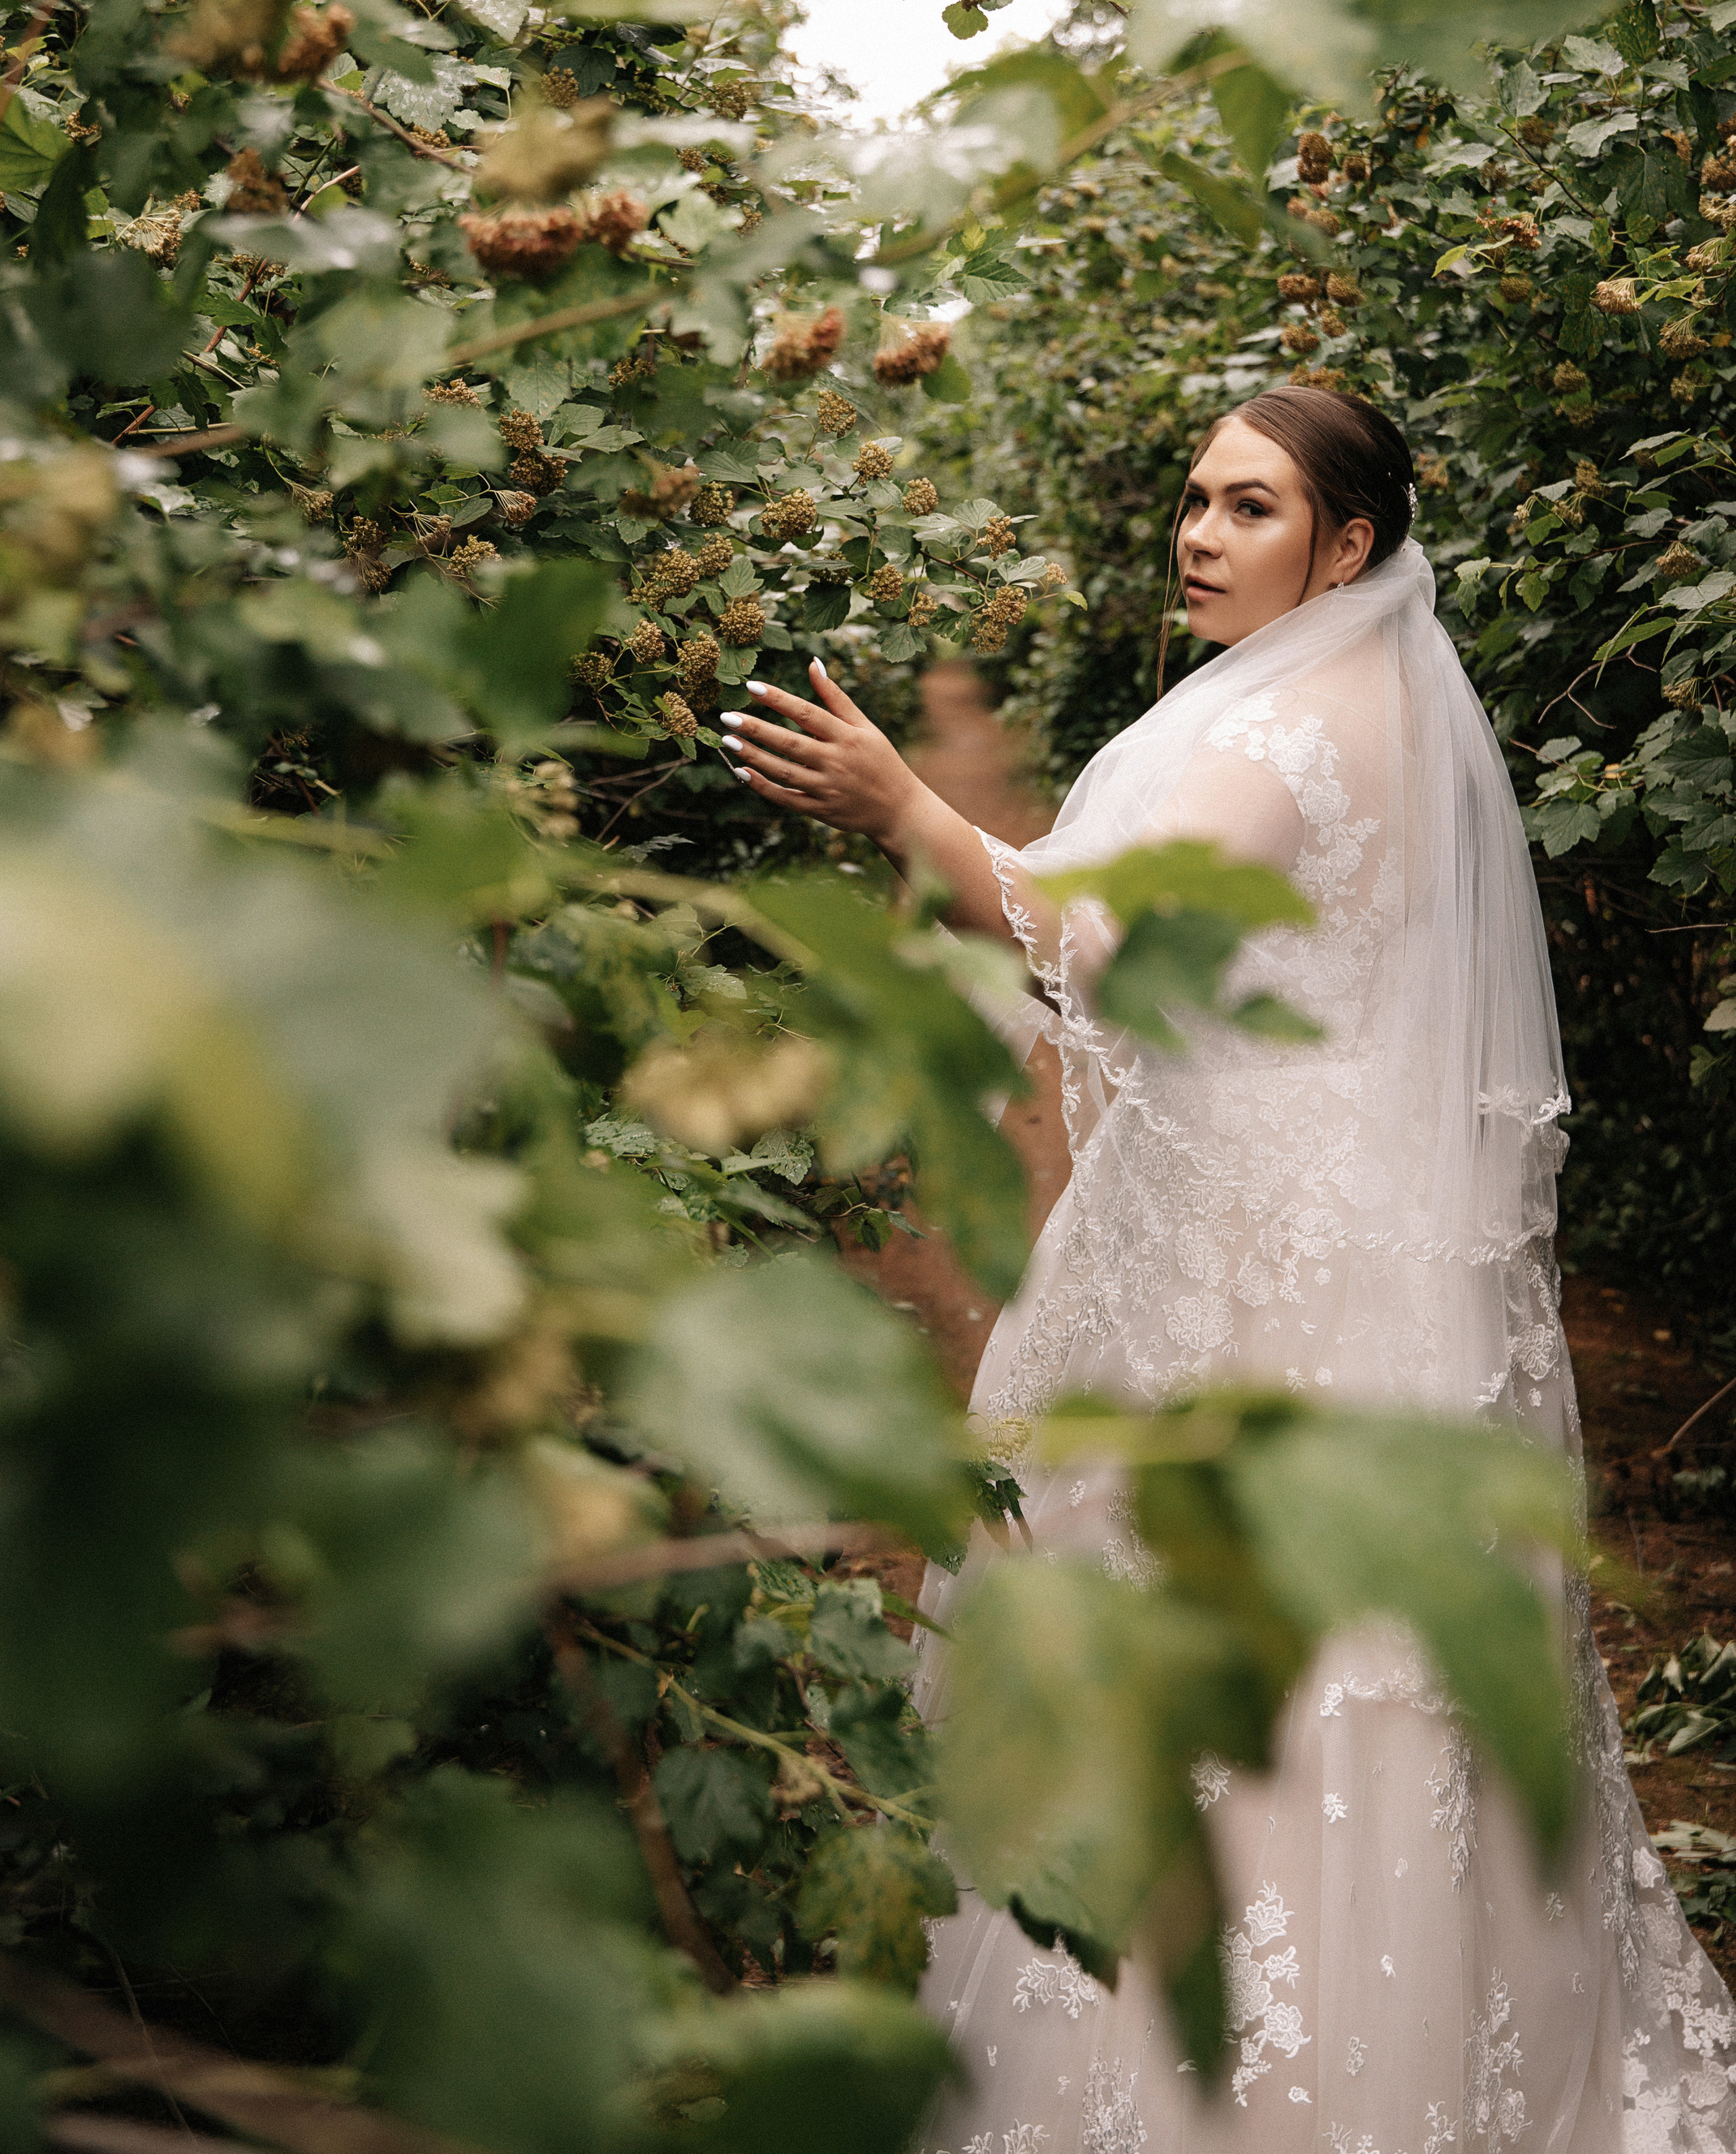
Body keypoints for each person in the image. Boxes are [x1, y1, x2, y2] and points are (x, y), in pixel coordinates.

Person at [718, 385, 1736, 2154]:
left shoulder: (1294, 734)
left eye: (1248, 507)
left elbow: (1109, 950)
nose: (1198, 533)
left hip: (1273, 1267)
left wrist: (906, 813)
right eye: (1193, 500)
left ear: (1348, 542)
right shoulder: (1368, 701)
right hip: (1342, 1230)